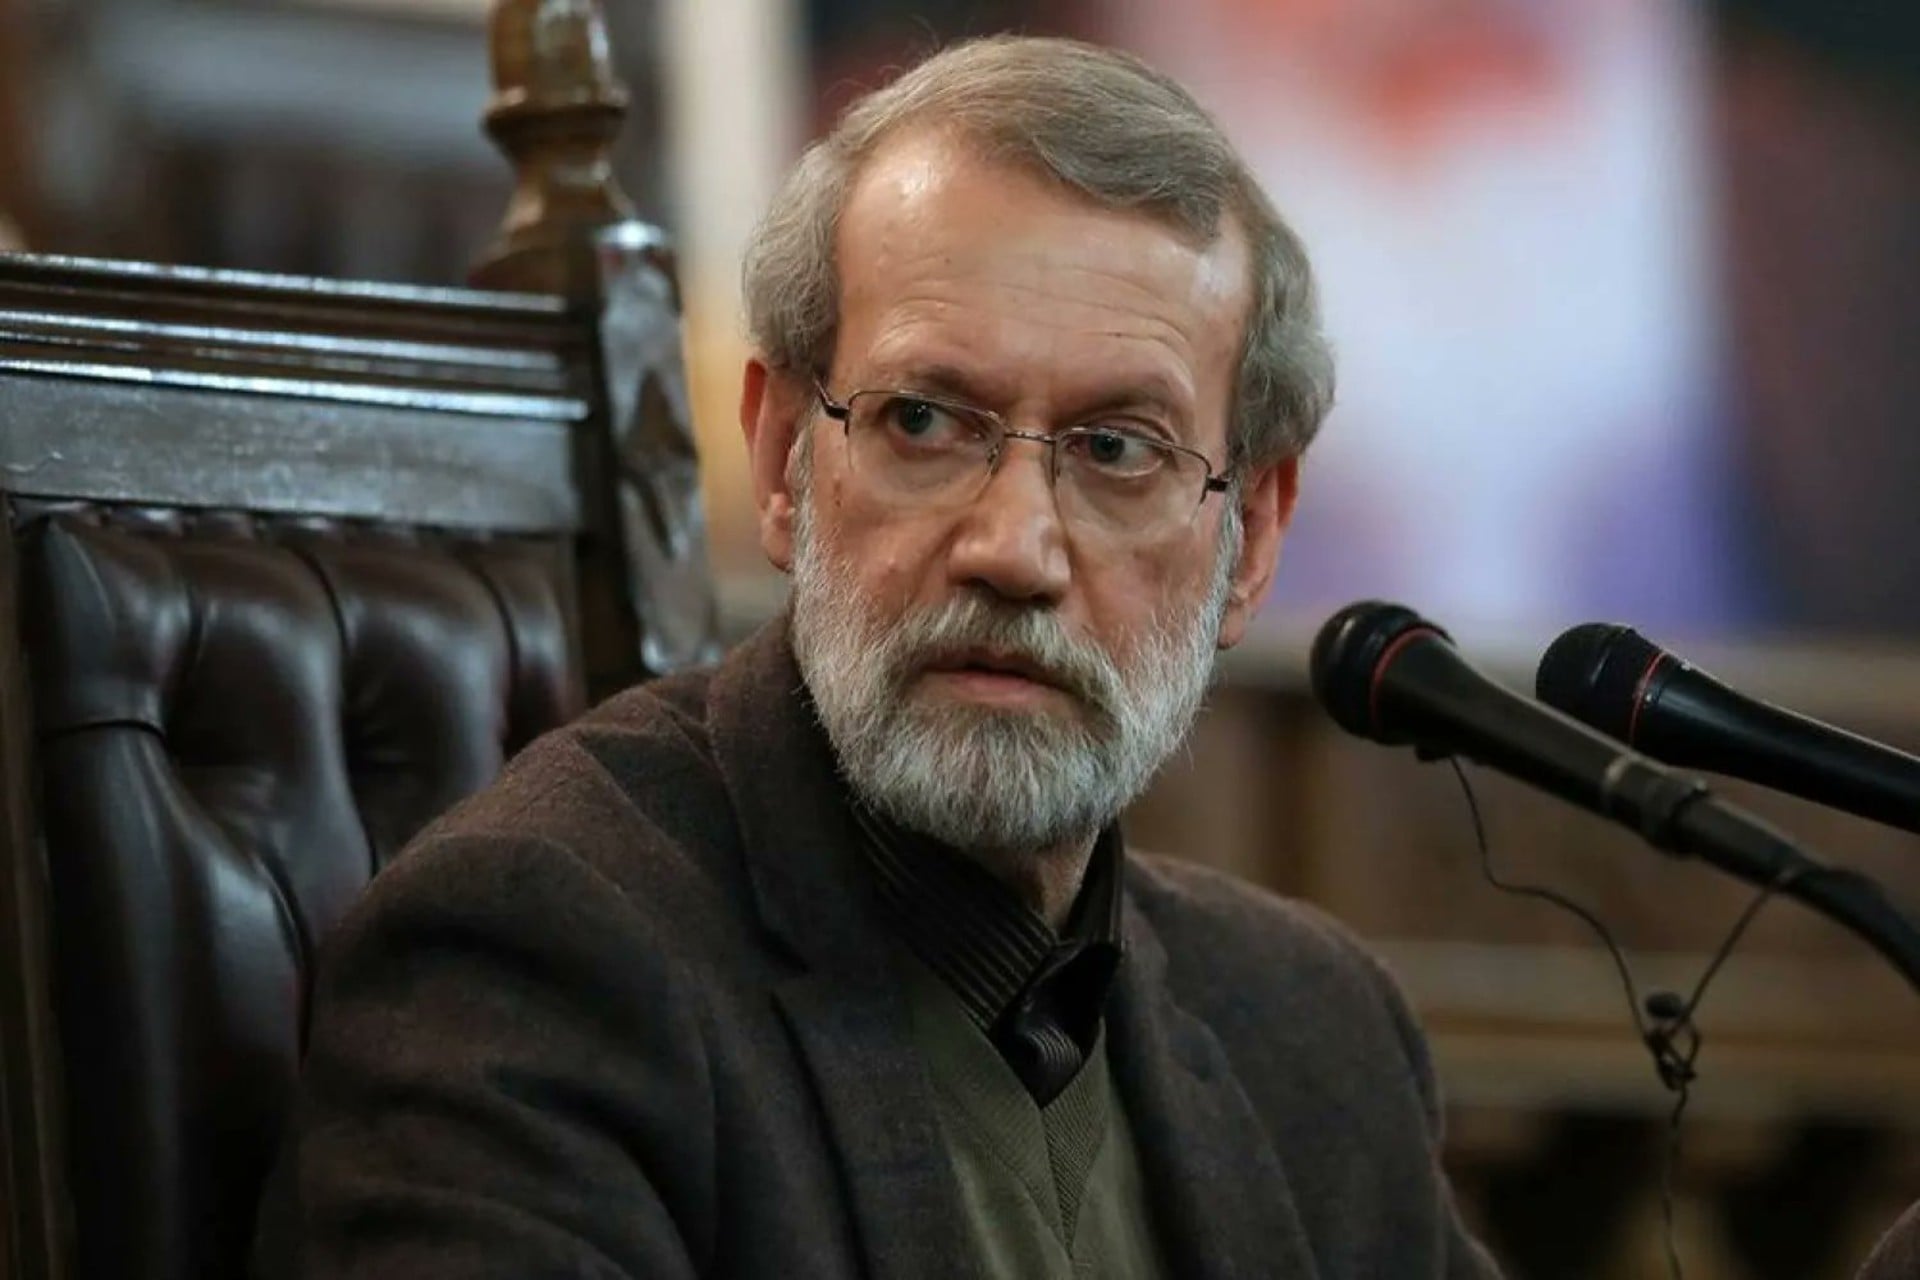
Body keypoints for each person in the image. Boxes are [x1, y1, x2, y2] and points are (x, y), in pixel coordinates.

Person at [259, 35, 1501, 1279]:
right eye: (923, 420)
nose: (1013, 548)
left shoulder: (1316, 1035)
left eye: (1119, 448)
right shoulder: (540, 958)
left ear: (1253, 536)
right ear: (783, 459)